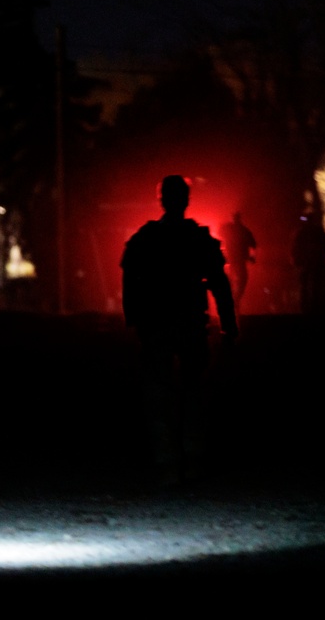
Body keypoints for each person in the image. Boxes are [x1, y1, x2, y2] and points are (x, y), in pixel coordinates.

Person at [120, 175, 238, 486]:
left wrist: (134, 320)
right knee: (194, 389)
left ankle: (167, 461)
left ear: (162, 200)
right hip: (189, 321)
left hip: (158, 323)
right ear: (186, 200)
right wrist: (229, 325)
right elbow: (219, 284)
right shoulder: (198, 239)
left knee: (159, 391)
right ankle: (193, 458)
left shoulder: (145, 238)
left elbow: (130, 282)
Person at [289, 211, 325, 314]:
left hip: (310, 262)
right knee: (309, 283)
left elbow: (295, 247)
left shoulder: (303, 233)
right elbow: (295, 247)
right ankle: (310, 305)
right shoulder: (312, 232)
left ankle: (309, 305)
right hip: (310, 262)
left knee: (308, 283)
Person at [218, 211, 257, 312]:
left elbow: (253, 245)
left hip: (234, 260)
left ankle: (233, 299)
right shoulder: (243, 230)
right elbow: (253, 245)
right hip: (236, 260)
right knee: (240, 280)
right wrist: (251, 257)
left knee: (237, 280)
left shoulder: (233, 229)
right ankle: (234, 299)